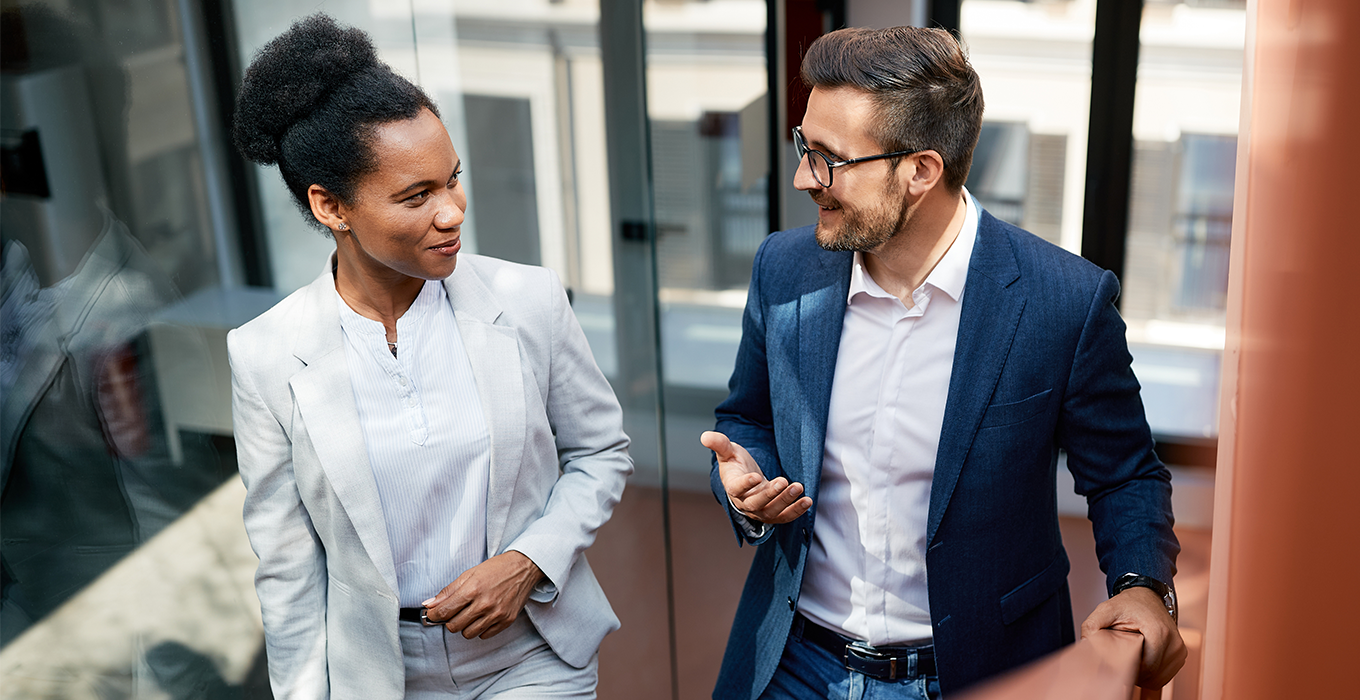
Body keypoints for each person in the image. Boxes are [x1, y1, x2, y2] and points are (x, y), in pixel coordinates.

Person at [702, 26, 1184, 700]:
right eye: (804, 147)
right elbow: (747, 415)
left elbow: (1125, 475)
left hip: (975, 673)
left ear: (920, 171)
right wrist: (747, 478)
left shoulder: (1063, 302)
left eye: (830, 159)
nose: (804, 177)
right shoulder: (783, 270)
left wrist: (1141, 587)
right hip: (794, 663)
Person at [227, 15, 631, 699]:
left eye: (452, 179)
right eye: (416, 196)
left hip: (532, 656)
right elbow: (289, 569)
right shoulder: (265, 355)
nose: (452, 212)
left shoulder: (527, 300)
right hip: (383, 677)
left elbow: (602, 452)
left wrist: (528, 560)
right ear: (331, 206)